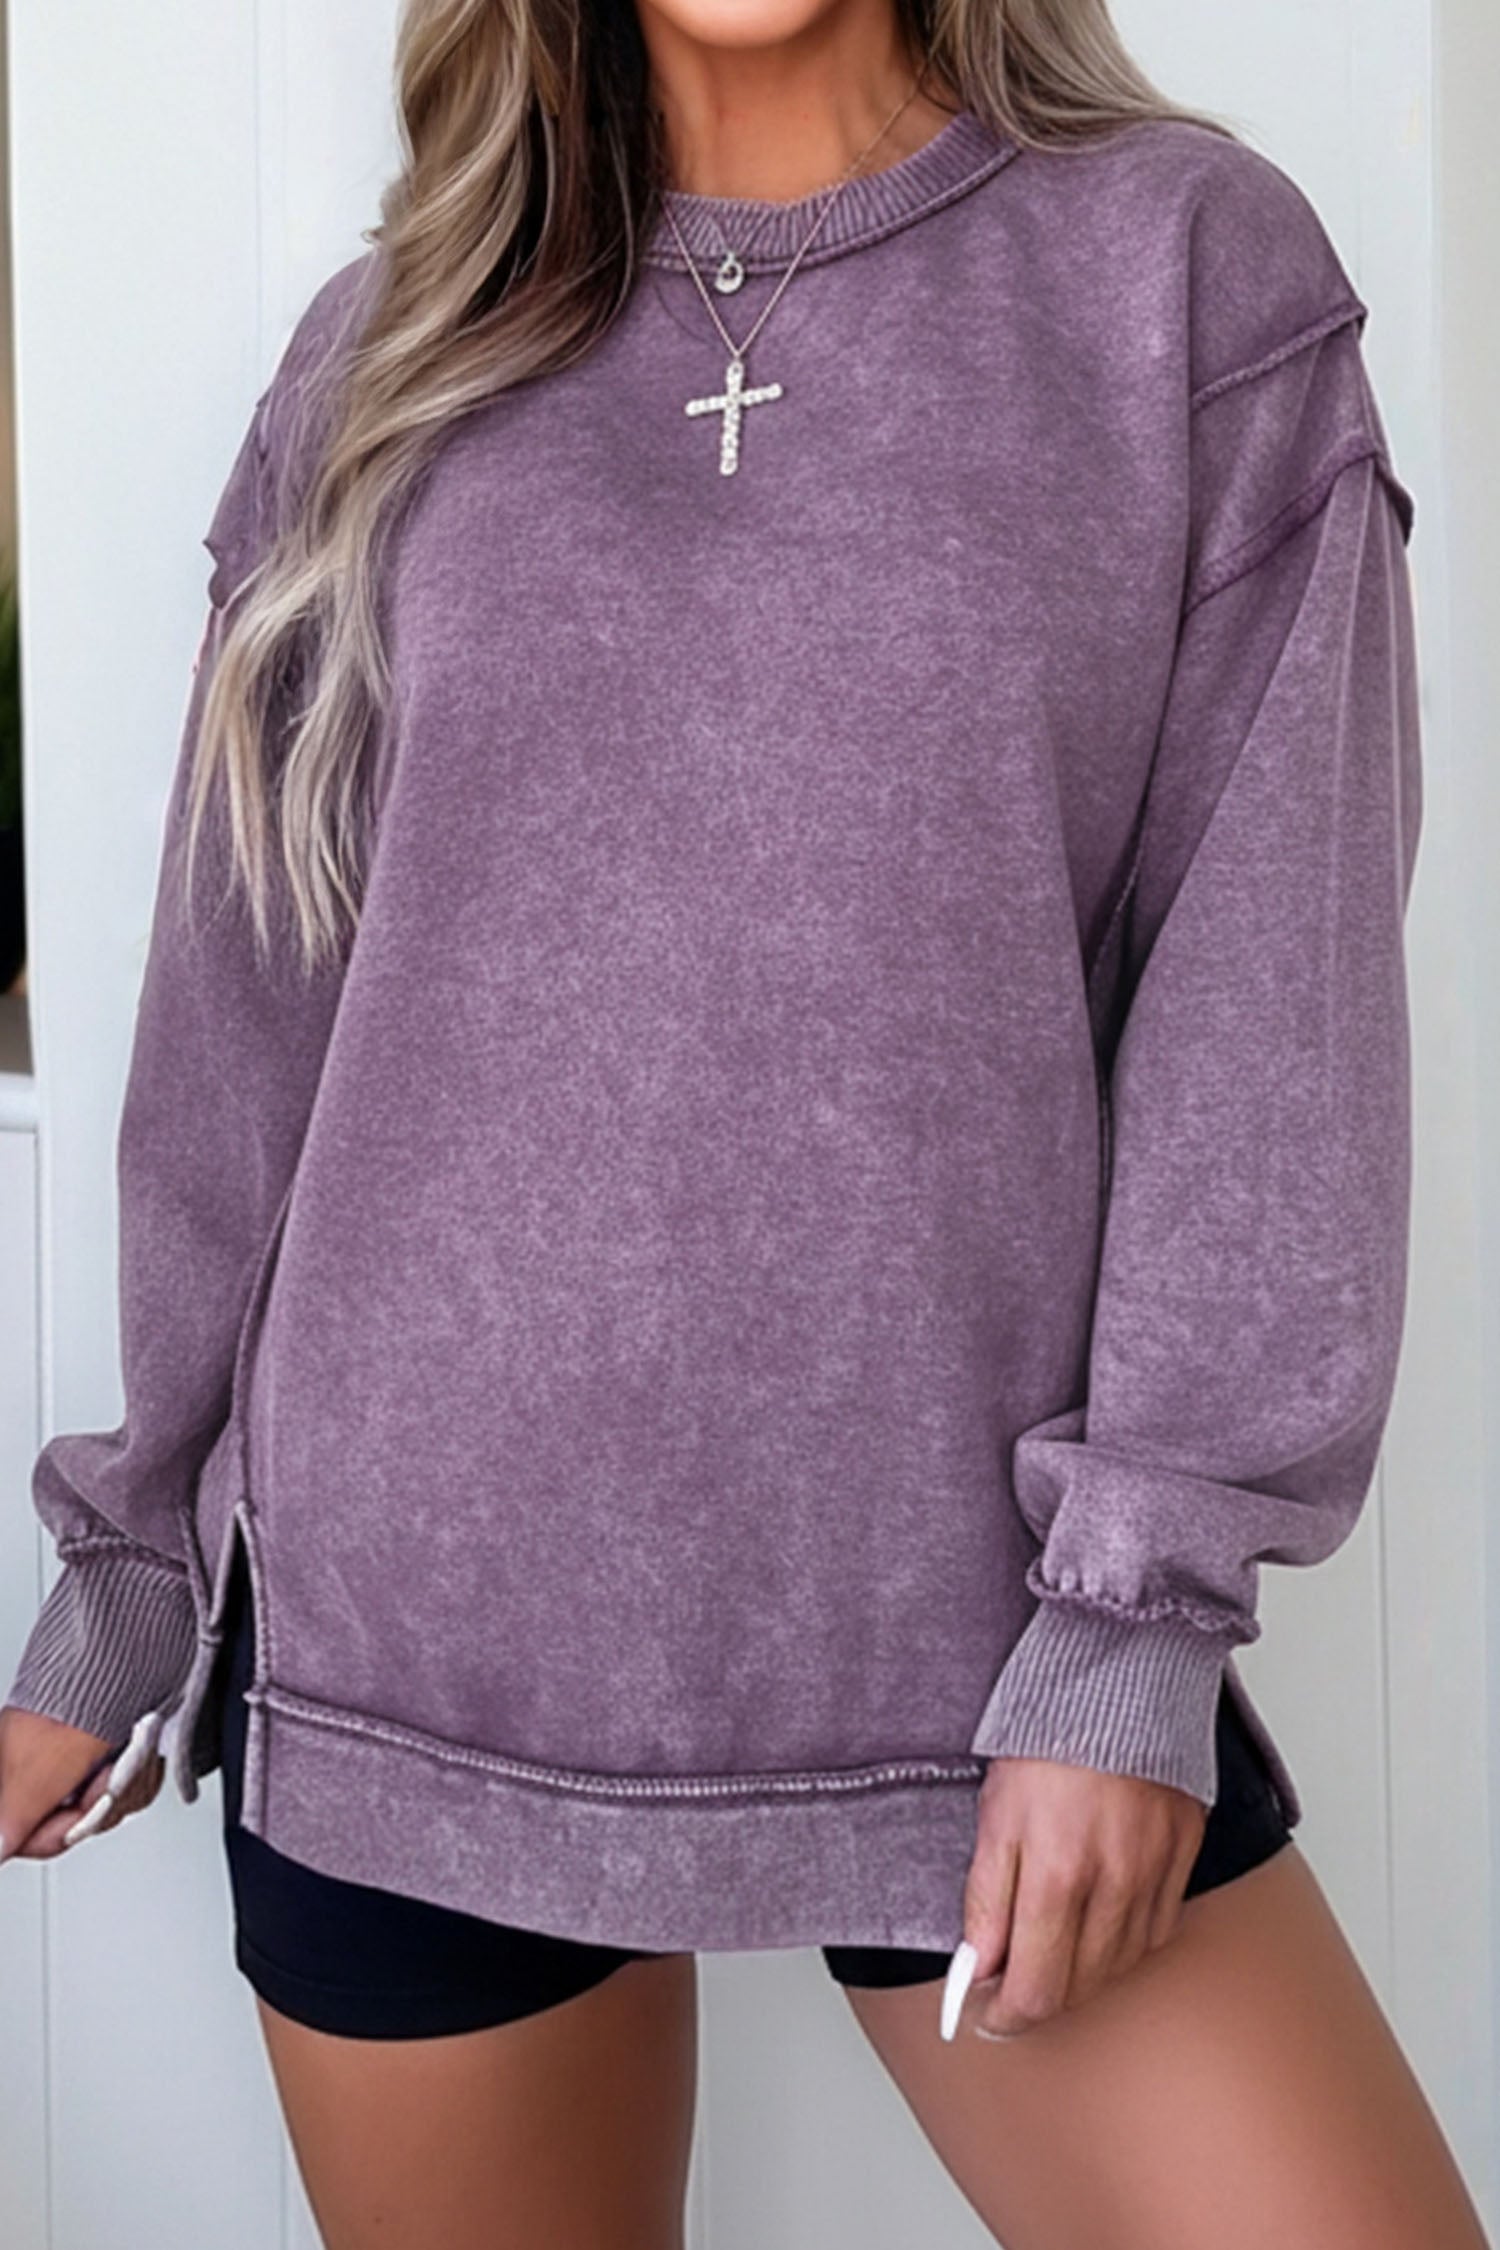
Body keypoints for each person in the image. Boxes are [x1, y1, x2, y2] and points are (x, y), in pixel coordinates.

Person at [0, 1, 1488, 2244]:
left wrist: (1134, 1628)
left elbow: (1264, 1012)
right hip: (414, 1641)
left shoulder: (1182, 278)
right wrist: (130, 1572)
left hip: (977, 1642)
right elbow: (247, 1019)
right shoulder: (385, 355)